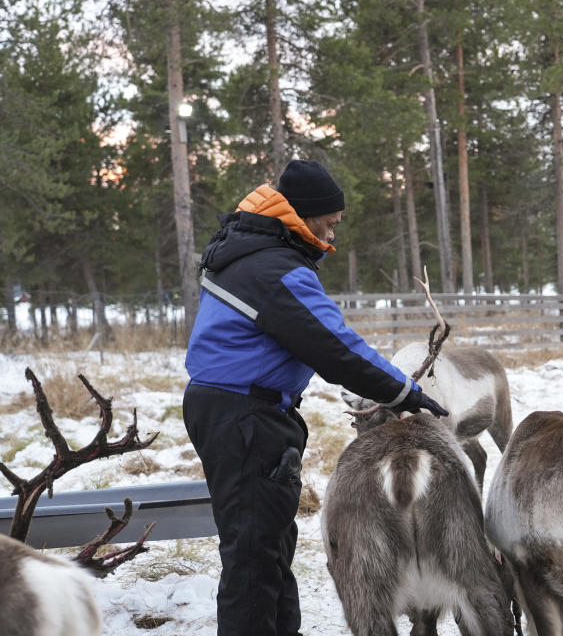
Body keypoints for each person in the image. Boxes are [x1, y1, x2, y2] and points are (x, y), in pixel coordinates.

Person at [182, 159, 449, 636]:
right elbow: (335, 346)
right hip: (246, 414)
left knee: (268, 543)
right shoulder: (275, 269)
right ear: (300, 216)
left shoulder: (249, 252)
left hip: (233, 408)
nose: (332, 233)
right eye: (327, 223)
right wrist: (405, 391)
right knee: (252, 556)